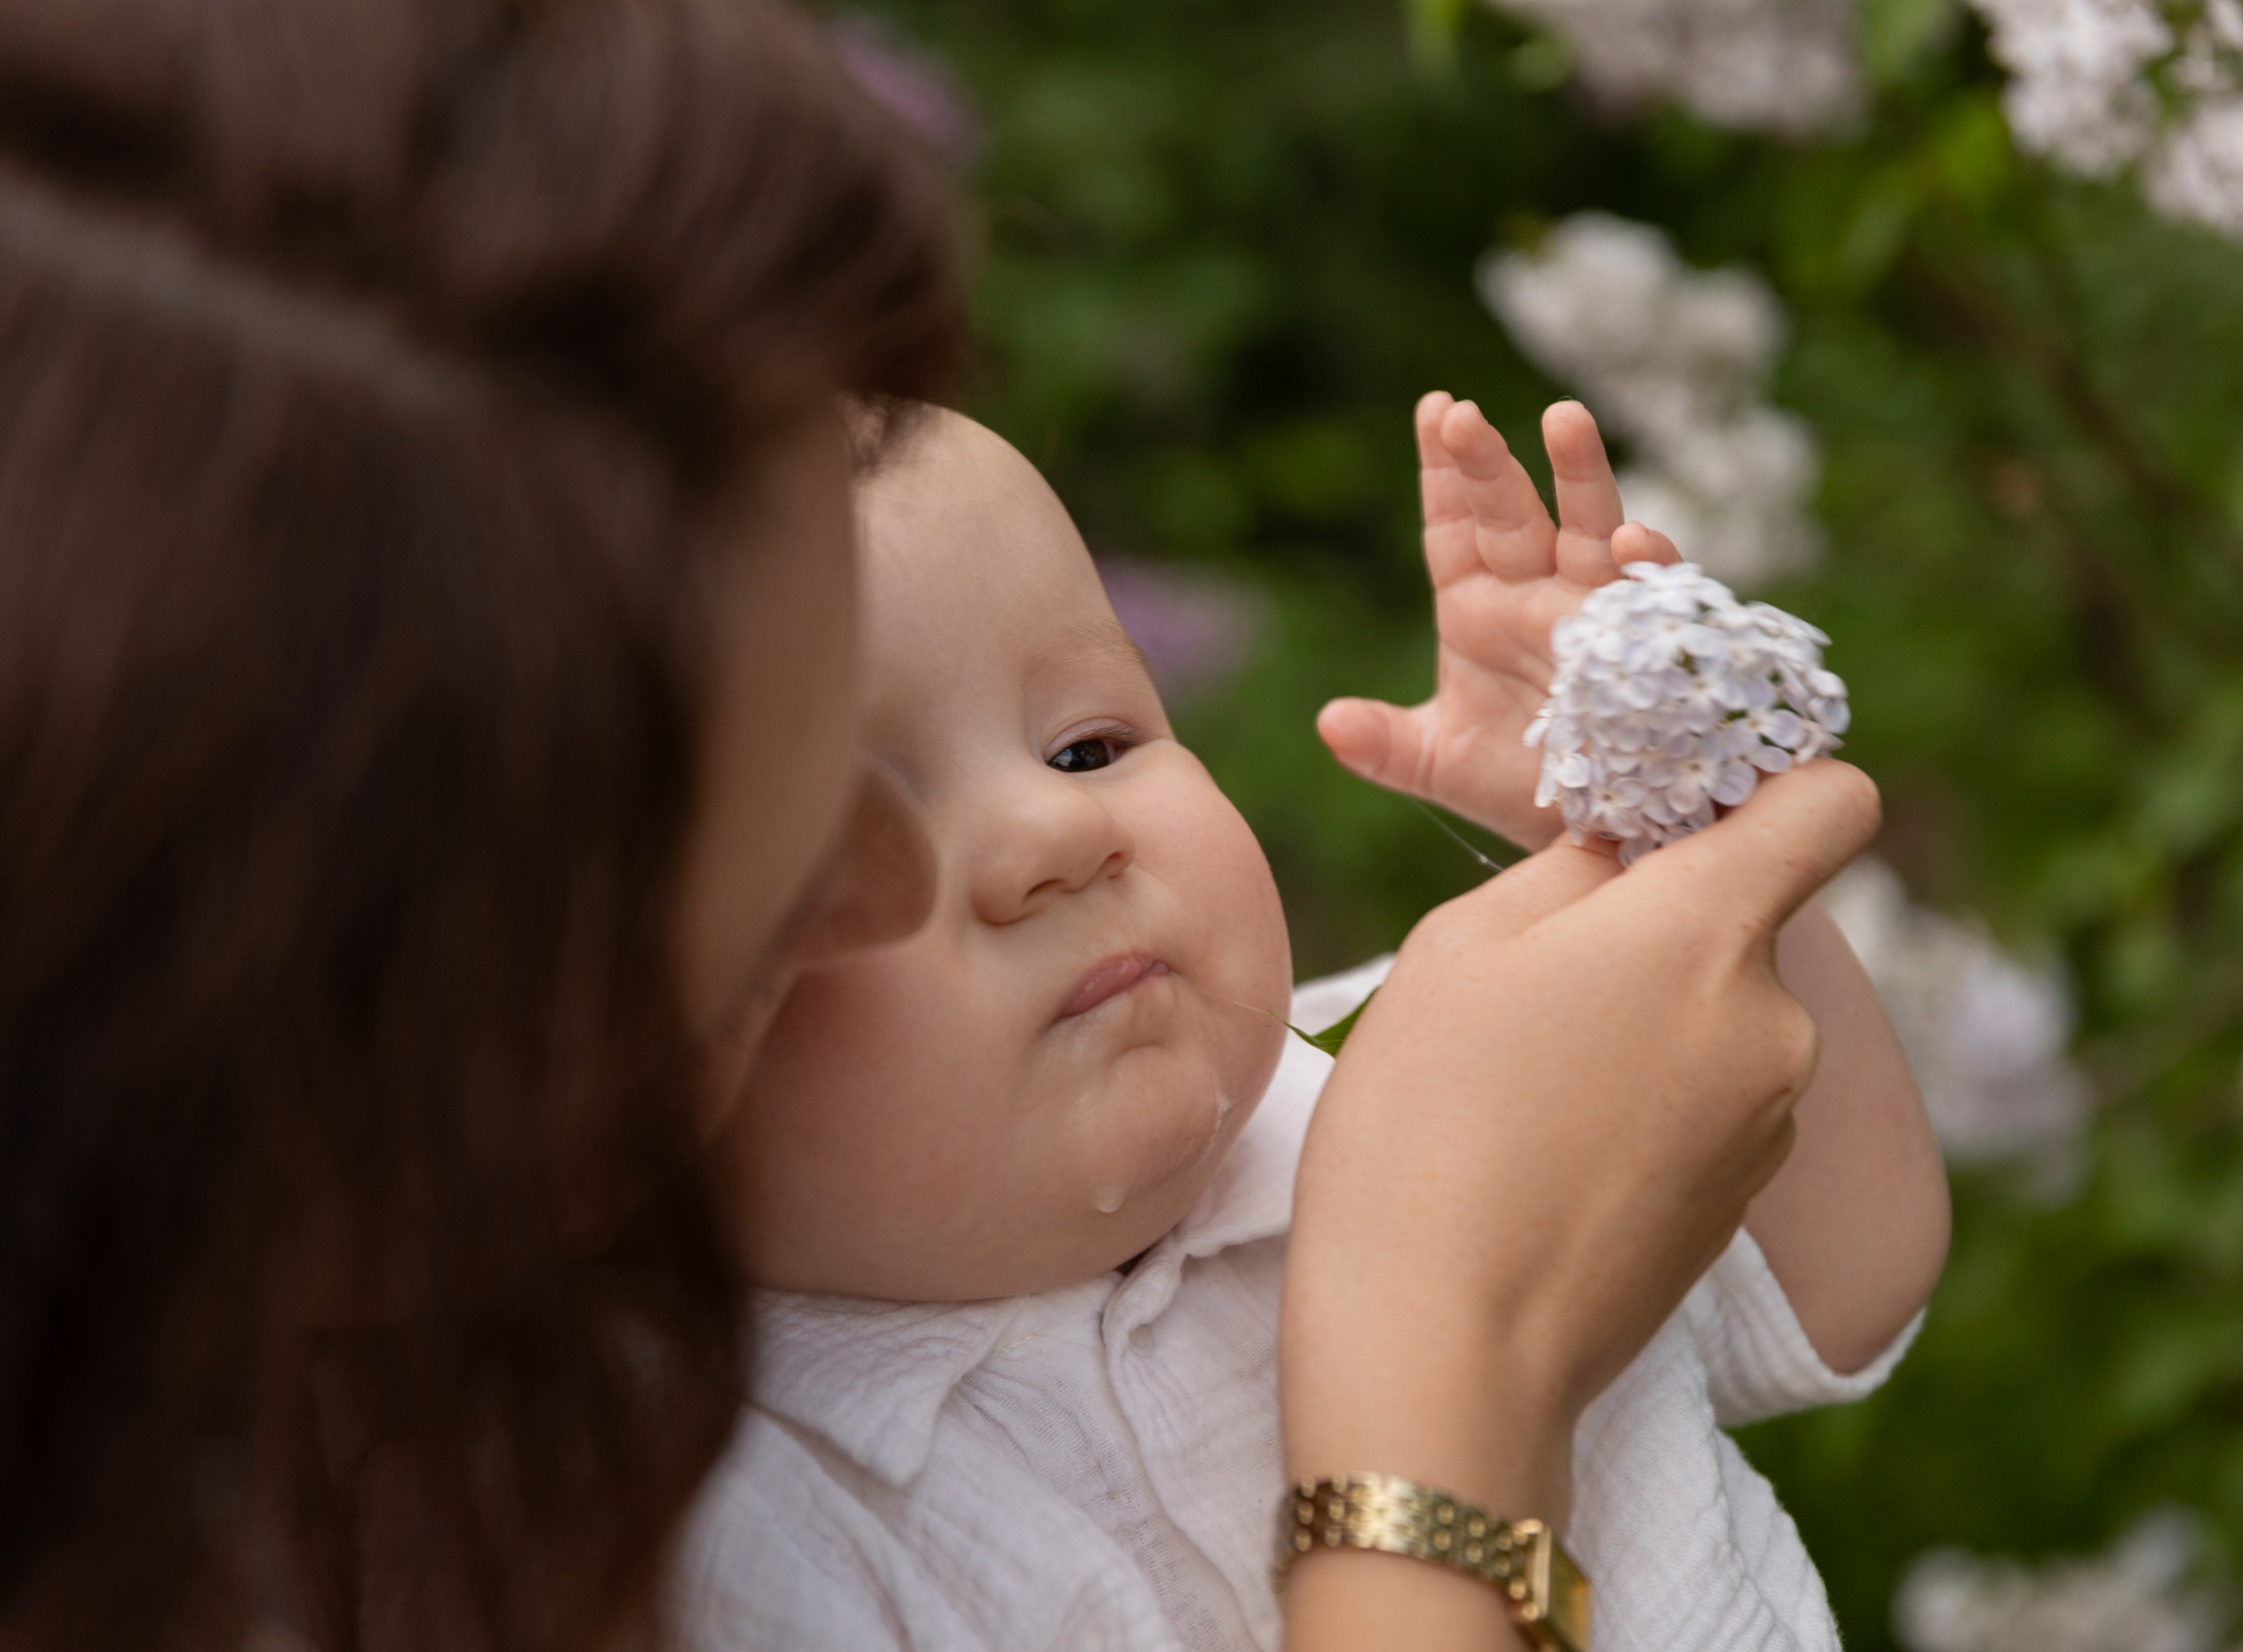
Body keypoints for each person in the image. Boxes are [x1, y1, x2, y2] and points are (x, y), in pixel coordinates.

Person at [0, 3, 1890, 1651]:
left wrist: (1681, 839)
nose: (1021, 847)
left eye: (1086, 740)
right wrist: (1441, 1373)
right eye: (792, 865)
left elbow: (1846, 1250)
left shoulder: (1393, 1088)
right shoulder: (683, 1525)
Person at [676, 401, 1947, 1650]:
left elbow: (1845, 1277)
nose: (1059, 838)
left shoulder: (1427, 1078)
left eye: (1087, 746)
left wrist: (1672, 833)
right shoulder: (741, 1529)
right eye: (853, 840)